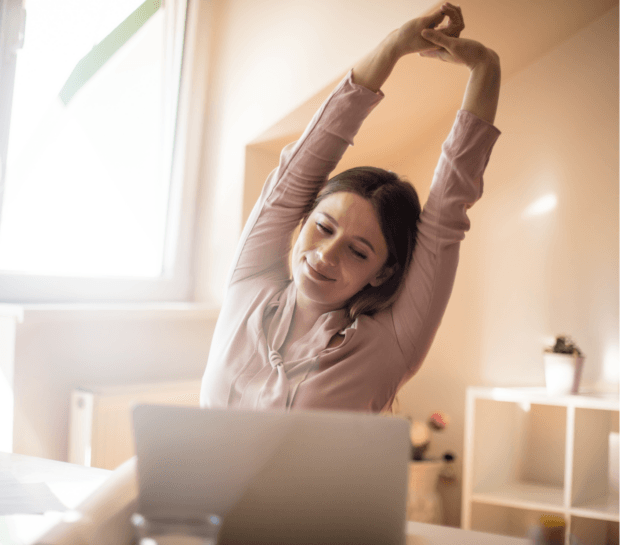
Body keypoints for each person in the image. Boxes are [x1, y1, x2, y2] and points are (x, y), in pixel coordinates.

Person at [199, 3, 501, 413]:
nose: (326, 255)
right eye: (324, 228)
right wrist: (393, 46)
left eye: (358, 251)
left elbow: (447, 211)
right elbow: (300, 168)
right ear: (304, 218)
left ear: (383, 272)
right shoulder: (249, 284)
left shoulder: (391, 344)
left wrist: (486, 68)